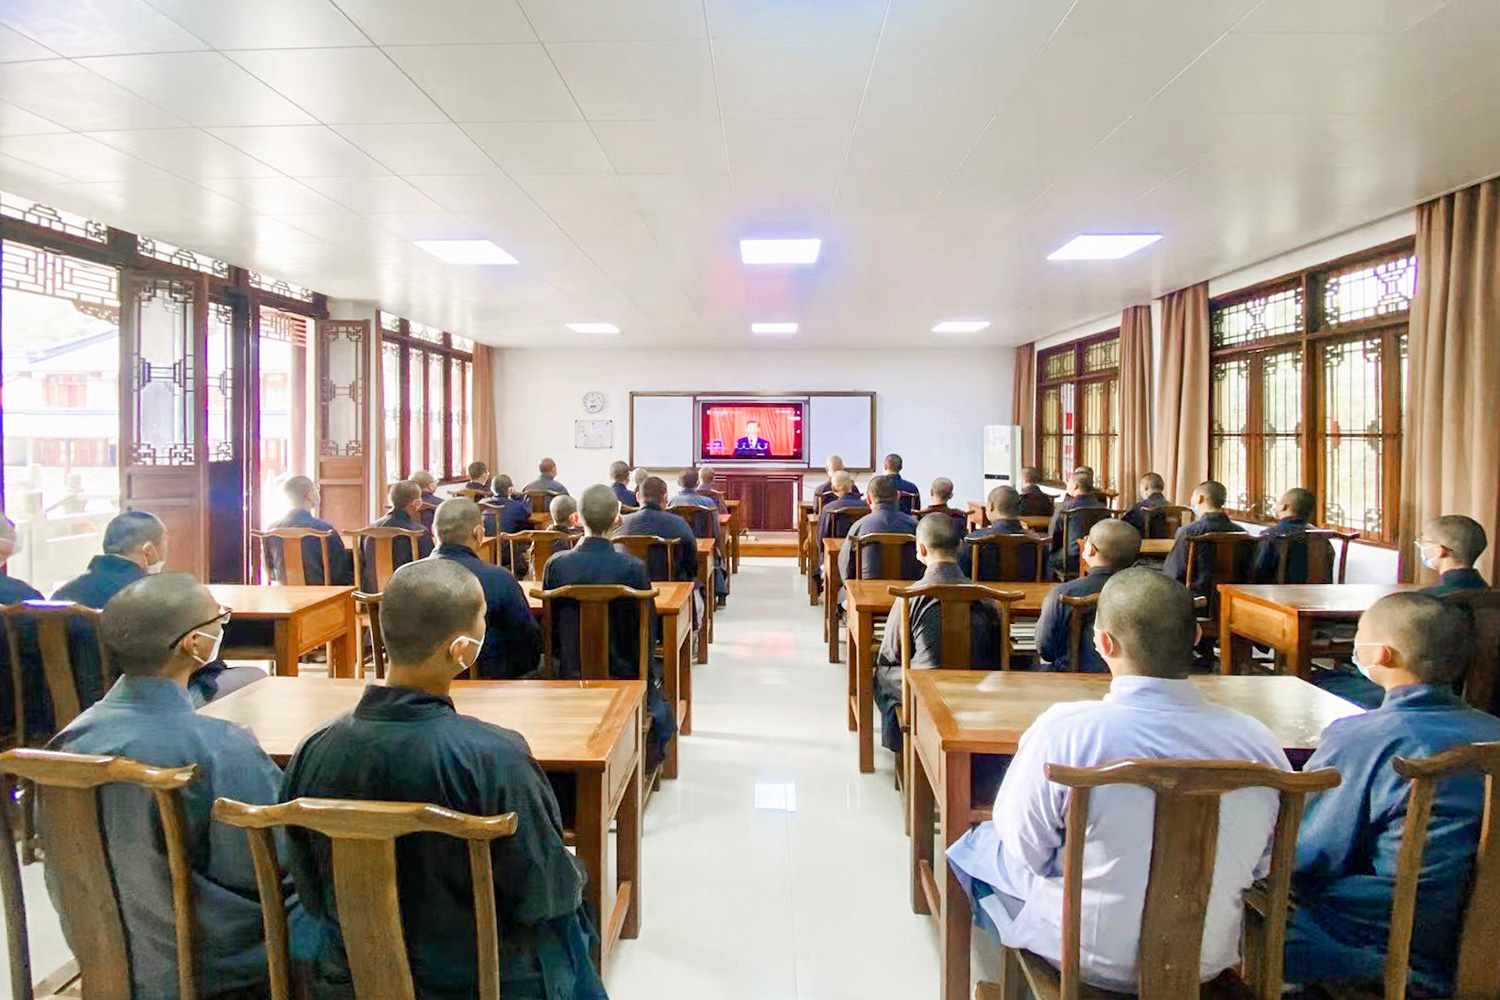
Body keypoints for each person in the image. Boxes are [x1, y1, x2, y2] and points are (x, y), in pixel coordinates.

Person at [947, 568, 1290, 992]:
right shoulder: (1258, 743)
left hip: (1083, 958)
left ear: (1104, 643)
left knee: (976, 846)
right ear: (1197, 637)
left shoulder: (1066, 733)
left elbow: (1026, 849)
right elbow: (1265, 862)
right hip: (1205, 960)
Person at [280, 560, 605, 1000]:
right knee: (571, 910)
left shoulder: (313, 748)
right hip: (478, 979)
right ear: (462, 650)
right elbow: (543, 894)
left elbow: (307, 888)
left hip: (348, 974)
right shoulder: (497, 756)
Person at [48, 573, 312, 1000]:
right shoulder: (218, 746)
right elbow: (274, 862)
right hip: (211, 964)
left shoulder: (66, 743)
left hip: (105, 951)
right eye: (219, 619)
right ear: (195, 644)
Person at [1286, 593, 1500, 996]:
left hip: (1391, 938)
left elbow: (1309, 852)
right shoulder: (1493, 730)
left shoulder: (1362, 737)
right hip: (1486, 937)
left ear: (1380, 654)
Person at [54, 510, 263, 708]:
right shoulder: (154, 596)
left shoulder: (61, 595)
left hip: (75, 709)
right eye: (165, 541)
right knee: (256, 678)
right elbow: (197, 659)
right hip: (144, 706)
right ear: (148, 550)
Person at [542, 486, 674, 769]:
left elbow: (550, 629)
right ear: (618, 519)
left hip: (569, 672)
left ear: (576, 519)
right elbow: (647, 629)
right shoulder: (633, 568)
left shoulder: (556, 565)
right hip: (624, 673)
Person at [872, 514, 1004, 753]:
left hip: (926, 690)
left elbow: (890, 654)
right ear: (960, 545)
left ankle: (902, 745)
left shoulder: (911, 597)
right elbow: (997, 650)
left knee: (882, 671)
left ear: (921, 549)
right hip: (977, 686)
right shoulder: (987, 597)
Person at [428, 499, 540, 680]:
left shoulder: (405, 578)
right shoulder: (499, 578)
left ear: (433, 531)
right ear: (478, 533)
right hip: (489, 681)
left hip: (424, 686)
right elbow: (526, 640)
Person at [1036, 519, 1141, 671]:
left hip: (1068, 677)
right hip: (1130, 677)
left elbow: (1046, 648)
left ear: (1090, 549)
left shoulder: (1063, 594)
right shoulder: (1145, 593)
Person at [263, 476, 353, 586]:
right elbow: (340, 572)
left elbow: (271, 571)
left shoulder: (272, 530)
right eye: (316, 489)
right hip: (322, 594)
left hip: (284, 593)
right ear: (310, 495)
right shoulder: (325, 530)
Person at [1161, 479, 1246, 590]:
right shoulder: (1242, 533)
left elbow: (1174, 574)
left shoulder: (1188, 532)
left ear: (1200, 498)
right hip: (1232, 595)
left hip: (1196, 595)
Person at [837, 474, 919, 587]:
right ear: (898, 496)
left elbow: (845, 568)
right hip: (909, 592)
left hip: (866, 592)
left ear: (868, 499)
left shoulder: (859, 527)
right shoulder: (915, 526)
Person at [617, 476, 698, 586]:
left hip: (630, 589)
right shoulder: (679, 523)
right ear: (665, 498)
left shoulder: (621, 524)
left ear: (637, 496)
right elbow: (692, 563)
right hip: (671, 588)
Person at [362, 480, 434, 589]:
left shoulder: (368, 530)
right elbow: (429, 567)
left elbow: (363, 565)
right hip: (407, 594)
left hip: (372, 592)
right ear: (416, 503)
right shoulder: (418, 532)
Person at [1249, 487, 1329, 583]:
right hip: (1317, 592)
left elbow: (1258, 573)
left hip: (1277, 592)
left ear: (1283, 506)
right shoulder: (1322, 538)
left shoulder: (1270, 535)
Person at [959, 486, 1038, 581]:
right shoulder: (1037, 541)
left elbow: (962, 574)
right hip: (1028, 590)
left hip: (984, 590)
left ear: (991, 507)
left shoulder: (975, 540)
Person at [1045, 468, 1108, 577]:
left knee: (1046, 555)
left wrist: (1051, 550)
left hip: (1070, 558)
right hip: (1097, 556)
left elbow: (1053, 535)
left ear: (1076, 486)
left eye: (1069, 483)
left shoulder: (1065, 507)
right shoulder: (1103, 508)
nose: (1067, 486)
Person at [812, 470, 866, 592]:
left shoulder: (829, 508)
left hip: (835, 557)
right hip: (862, 557)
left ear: (833, 488)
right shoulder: (867, 507)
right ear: (852, 484)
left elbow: (821, 540)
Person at [1415, 514, 1490, 595]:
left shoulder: (1426, 598)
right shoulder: (1490, 592)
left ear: (1439, 551)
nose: (1421, 546)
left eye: (1423, 542)